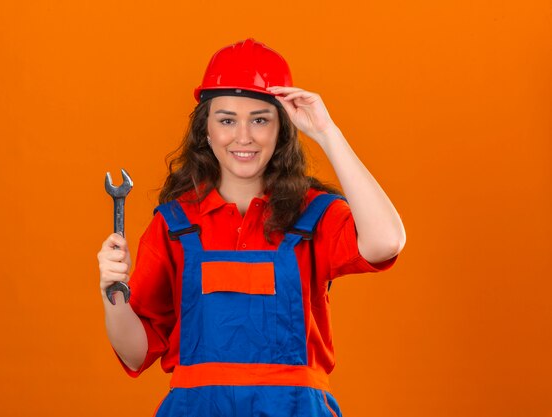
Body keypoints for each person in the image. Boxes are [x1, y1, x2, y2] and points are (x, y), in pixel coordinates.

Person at [97, 38, 405, 417]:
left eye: (260, 119)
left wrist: (327, 132)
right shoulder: (175, 224)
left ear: (282, 130)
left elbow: (386, 241)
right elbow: (135, 352)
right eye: (227, 120)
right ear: (205, 131)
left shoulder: (314, 215)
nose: (243, 136)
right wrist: (113, 293)